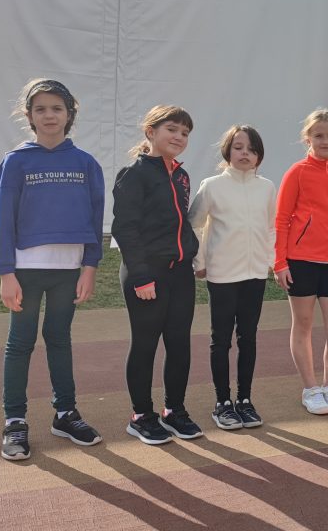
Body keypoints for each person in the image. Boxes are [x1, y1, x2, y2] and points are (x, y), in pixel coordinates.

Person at [0, 79, 104, 460]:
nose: (49, 115)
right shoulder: (16, 161)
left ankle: (65, 413)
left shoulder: (86, 163)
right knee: (20, 342)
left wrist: (90, 266)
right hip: (25, 271)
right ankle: (15, 421)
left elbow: (95, 219)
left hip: (68, 271)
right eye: (40, 109)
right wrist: (5, 272)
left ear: (70, 114)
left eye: (57, 108)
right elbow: (3, 219)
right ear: (29, 116)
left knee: (59, 338)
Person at [113, 105, 202, 444]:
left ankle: (174, 411)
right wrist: (141, 276)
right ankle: (141, 416)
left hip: (180, 273)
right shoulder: (134, 174)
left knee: (179, 343)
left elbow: (181, 223)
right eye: (172, 129)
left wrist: (190, 253)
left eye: (185, 133)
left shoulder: (181, 175)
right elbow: (125, 229)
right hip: (146, 273)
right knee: (145, 344)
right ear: (151, 132)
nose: (179, 137)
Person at [188, 125, 276, 430]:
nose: (244, 154)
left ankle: (245, 400)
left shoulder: (267, 187)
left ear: (259, 156)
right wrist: (200, 261)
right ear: (227, 151)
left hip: (255, 274)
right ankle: (222, 402)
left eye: (251, 149)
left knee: (248, 338)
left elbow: (271, 226)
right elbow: (194, 224)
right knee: (221, 339)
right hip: (222, 273)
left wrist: (270, 261)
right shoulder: (212, 186)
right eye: (238, 147)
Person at [274, 110, 328, 415]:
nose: (325, 141)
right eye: (318, 136)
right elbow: (281, 219)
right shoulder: (297, 172)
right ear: (307, 139)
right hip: (301, 261)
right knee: (304, 324)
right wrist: (280, 262)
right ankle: (310, 388)